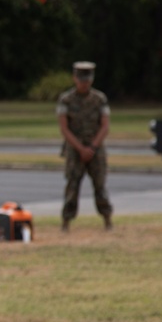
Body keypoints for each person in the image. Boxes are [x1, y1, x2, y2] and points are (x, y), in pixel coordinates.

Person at [56, 61, 113, 232]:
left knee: (100, 185)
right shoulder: (66, 100)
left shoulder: (99, 99)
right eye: (81, 80)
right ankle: (66, 221)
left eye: (87, 80)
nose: (84, 83)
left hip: (95, 148)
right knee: (72, 186)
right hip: (75, 148)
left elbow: (105, 126)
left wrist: (93, 147)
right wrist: (80, 149)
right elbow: (64, 127)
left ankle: (107, 219)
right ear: (75, 79)